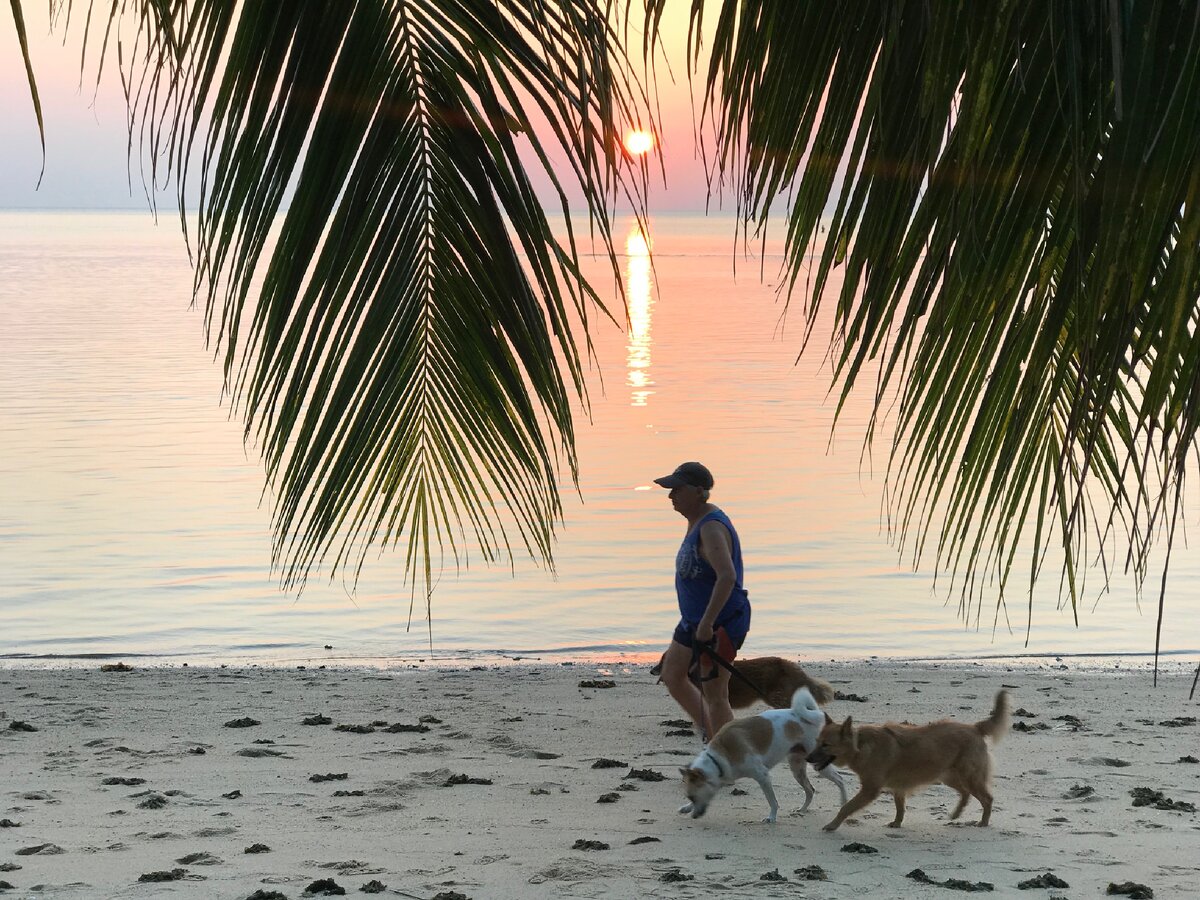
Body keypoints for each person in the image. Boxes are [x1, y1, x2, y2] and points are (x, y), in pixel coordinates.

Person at [654, 461, 751, 739]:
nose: (671, 496)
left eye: (677, 489)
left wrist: (708, 623)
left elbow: (727, 577)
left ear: (698, 492)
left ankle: (727, 751)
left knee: (716, 693)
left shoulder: (711, 528)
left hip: (720, 622)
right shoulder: (696, 521)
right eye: (670, 490)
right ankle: (711, 734)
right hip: (693, 621)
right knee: (673, 674)